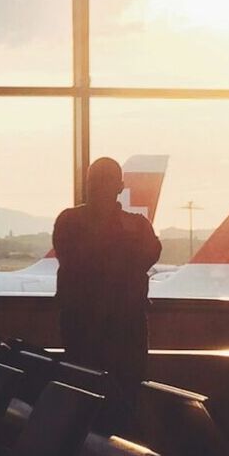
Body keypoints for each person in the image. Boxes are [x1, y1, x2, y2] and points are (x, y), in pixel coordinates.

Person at [52, 157, 163, 422]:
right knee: (121, 403)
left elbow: (77, 261)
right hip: (121, 328)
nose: (99, 187)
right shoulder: (136, 227)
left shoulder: (69, 222)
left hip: (91, 327)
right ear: (121, 187)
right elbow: (146, 256)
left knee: (85, 404)